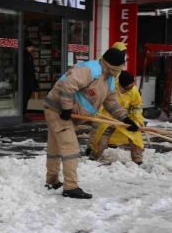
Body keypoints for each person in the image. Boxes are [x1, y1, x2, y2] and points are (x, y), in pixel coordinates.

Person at [44, 47, 139, 199]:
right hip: (58, 109)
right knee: (70, 147)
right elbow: (69, 85)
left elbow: (112, 104)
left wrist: (126, 120)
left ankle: (52, 180)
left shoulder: (109, 80)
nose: (122, 69)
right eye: (121, 65)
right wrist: (66, 108)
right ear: (114, 65)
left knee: (56, 145)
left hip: (65, 111)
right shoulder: (91, 69)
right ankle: (70, 187)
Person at [88, 70, 145, 165]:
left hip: (127, 118)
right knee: (101, 138)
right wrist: (96, 112)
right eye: (127, 88)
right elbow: (102, 103)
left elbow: (137, 106)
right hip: (109, 117)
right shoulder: (111, 87)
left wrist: (137, 119)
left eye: (131, 86)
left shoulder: (134, 90)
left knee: (135, 137)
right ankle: (93, 157)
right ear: (121, 85)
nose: (130, 89)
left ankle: (137, 159)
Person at [22, 39, 37, 122]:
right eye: (30, 47)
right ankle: (23, 113)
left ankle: (23, 112)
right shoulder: (25, 56)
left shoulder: (28, 56)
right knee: (24, 97)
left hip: (27, 81)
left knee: (26, 97)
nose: (32, 48)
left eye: (32, 47)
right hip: (26, 81)